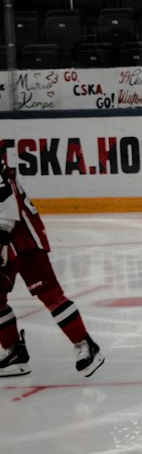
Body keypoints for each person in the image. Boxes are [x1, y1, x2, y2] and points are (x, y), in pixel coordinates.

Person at [0, 155, 104, 379]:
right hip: (5, 240)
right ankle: (15, 352)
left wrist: (2, 238)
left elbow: (7, 205)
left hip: (22, 238)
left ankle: (85, 344)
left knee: (49, 294)